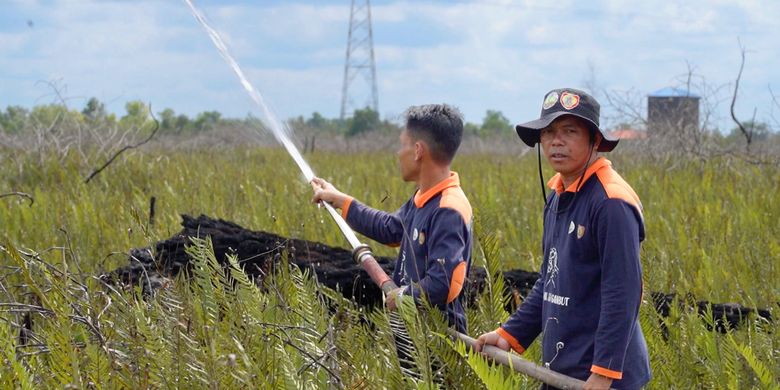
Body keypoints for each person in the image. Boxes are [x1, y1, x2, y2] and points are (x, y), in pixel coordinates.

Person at [475, 88, 651, 389]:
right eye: (548, 132)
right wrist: (508, 335)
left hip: (604, 378)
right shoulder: (558, 195)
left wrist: (604, 372)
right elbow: (550, 281)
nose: (556, 141)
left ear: (594, 140)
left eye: (569, 131)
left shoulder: (611, 202)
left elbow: (622, 293)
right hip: (562, 369)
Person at [311, 104, 473, 333]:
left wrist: (404, 295)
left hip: (437, 347)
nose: (399, 153)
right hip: (412, 338)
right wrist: (341, 201)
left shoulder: (448, 209)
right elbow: (391, 229)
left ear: (417, 150)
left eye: (403, 145)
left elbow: (444, 283)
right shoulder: (423, 197)